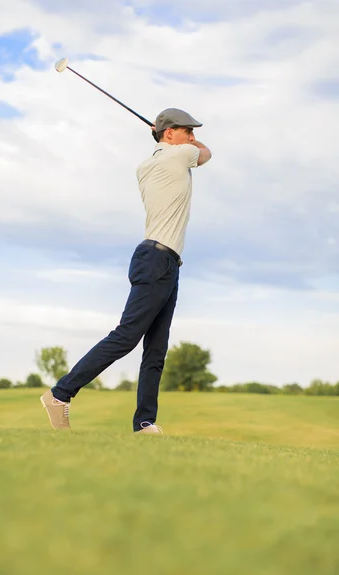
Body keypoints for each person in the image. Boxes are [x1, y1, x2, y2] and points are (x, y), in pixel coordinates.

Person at [40, 108, 212, 434]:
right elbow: (207, 152)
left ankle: (145, 423)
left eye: (193, 130)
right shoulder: (179, 157)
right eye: (186, 130)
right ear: (169, 134)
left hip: (164, 261)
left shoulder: (147, 164)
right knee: (126, 337)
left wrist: (163, 135)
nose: (192, 135)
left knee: (156, 349)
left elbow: (187, 148)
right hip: (157, 260)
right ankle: (60, 394)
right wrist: (181, 141)